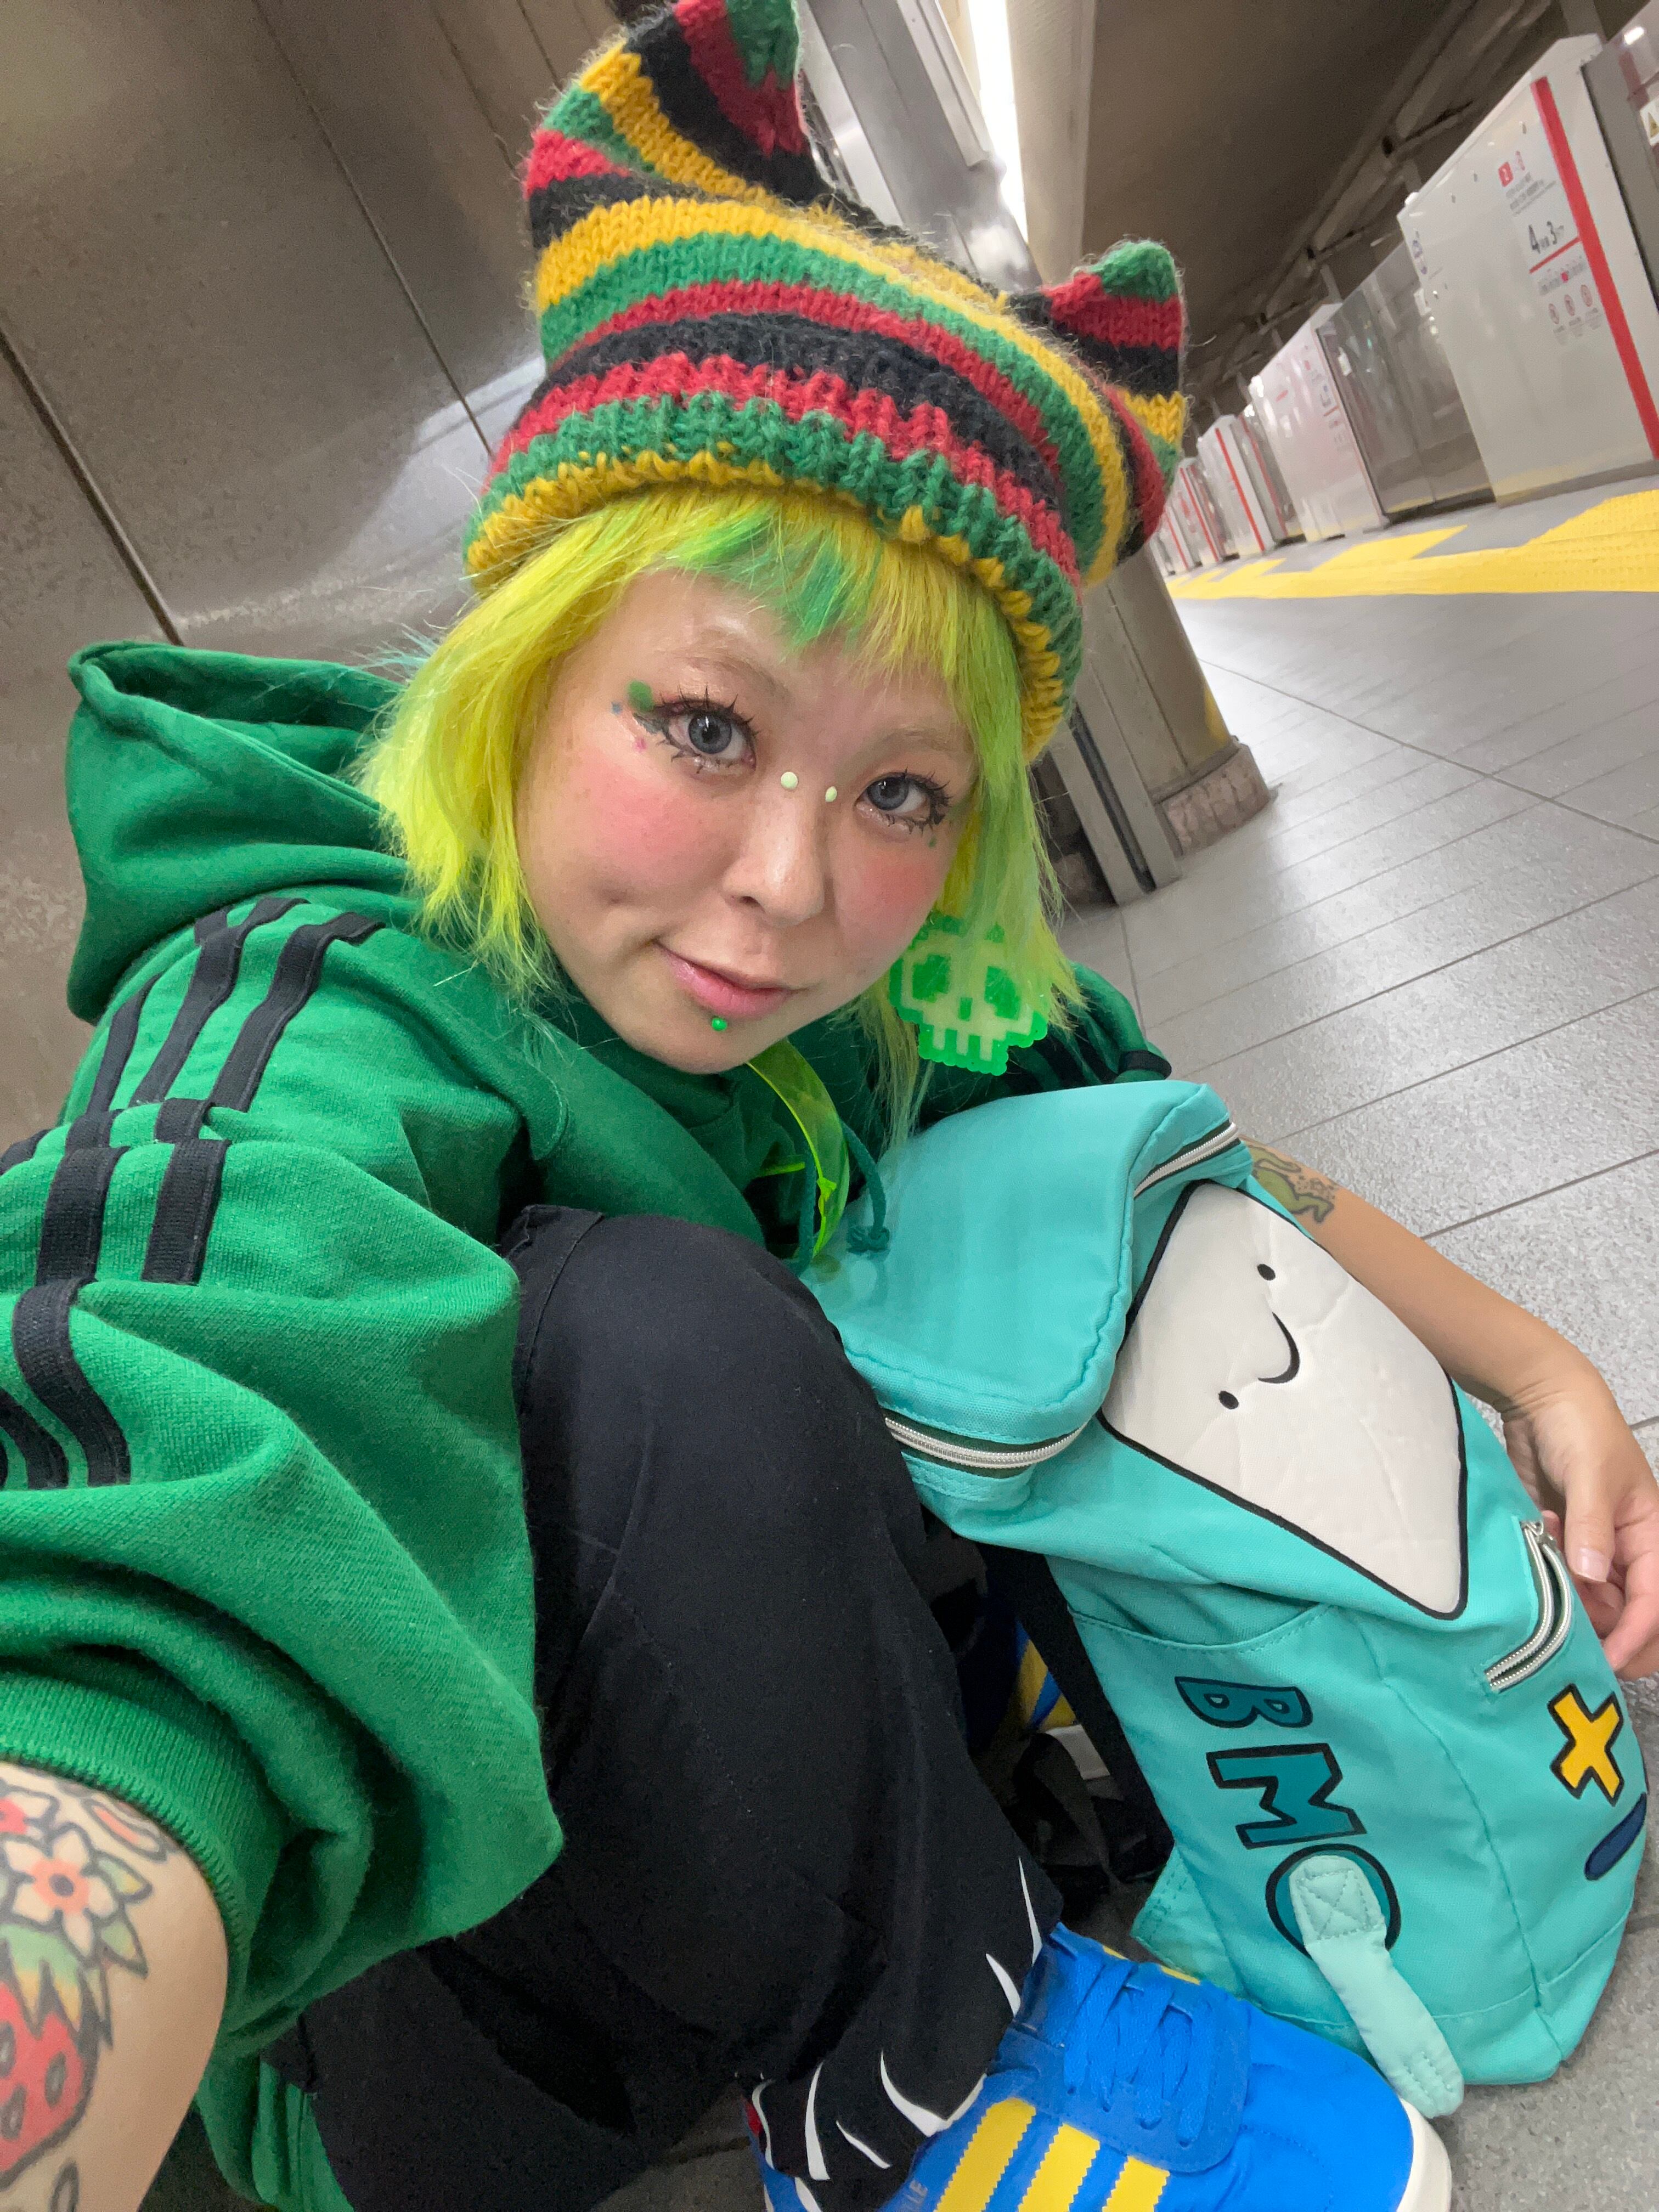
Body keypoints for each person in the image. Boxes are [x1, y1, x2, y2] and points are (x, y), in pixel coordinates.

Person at [0, 5, 1654, 2210]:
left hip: (796, 1776)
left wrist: (1546, 1378)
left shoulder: (894, 992)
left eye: (899, 792)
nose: (791, 884)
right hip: (430, 2014)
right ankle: (919, 2085)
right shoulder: (320, 997)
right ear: (524, 673)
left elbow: (1212, 1168)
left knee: (1046, 1195)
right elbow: (190, 1447)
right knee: (656, 1327)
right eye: (702, 726)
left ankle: (1022, 1850)